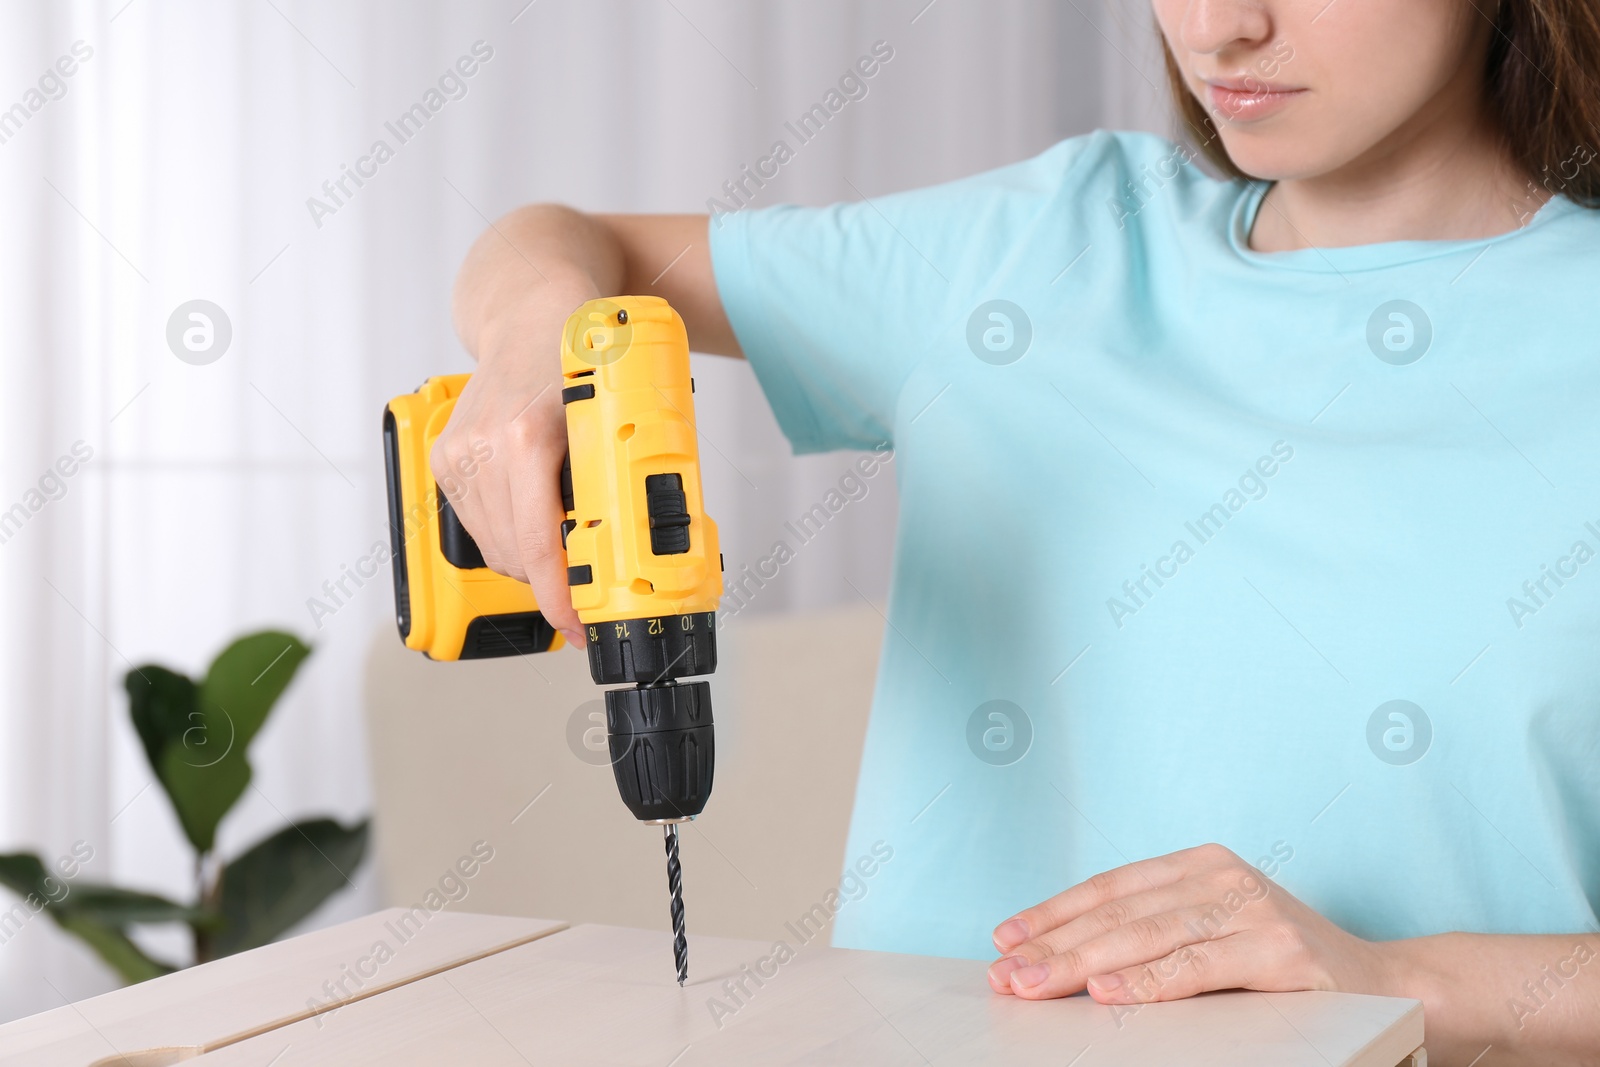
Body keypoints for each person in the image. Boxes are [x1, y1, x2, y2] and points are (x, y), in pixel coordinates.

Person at [437, 2, 1600, 1062]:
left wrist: (1398, 982)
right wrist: (539, 342)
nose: (1215, 26)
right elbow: (560, 238)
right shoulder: (1036, 249)